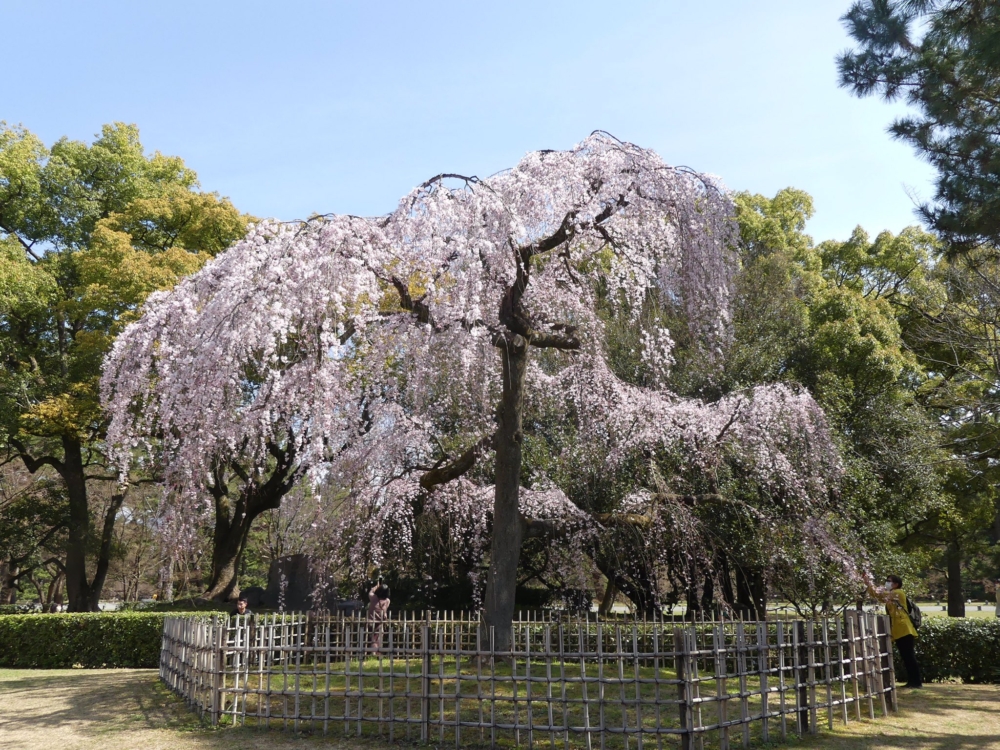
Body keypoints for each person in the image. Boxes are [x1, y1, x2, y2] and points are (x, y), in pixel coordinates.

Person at [869, 574, 921, 688]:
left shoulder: (898, 593)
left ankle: (916, 682)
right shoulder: (891, 596)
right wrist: (868, 583)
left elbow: (879, 594)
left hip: (905, 630)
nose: (886, 583)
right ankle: (912, 681)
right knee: (906, 656)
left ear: (896, 584)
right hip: (899, 630)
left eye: (889, 581)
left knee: (909, 656)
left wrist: (869, 583)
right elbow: (876, 595)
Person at [367, 579, 390, 653]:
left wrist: (376, 587)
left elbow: (370, 592)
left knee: (371, 637)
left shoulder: (373, 598)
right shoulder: (387, 601)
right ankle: (377, 652)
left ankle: (372, 652)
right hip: (380, 622)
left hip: (371, 620)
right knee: (378, 637)